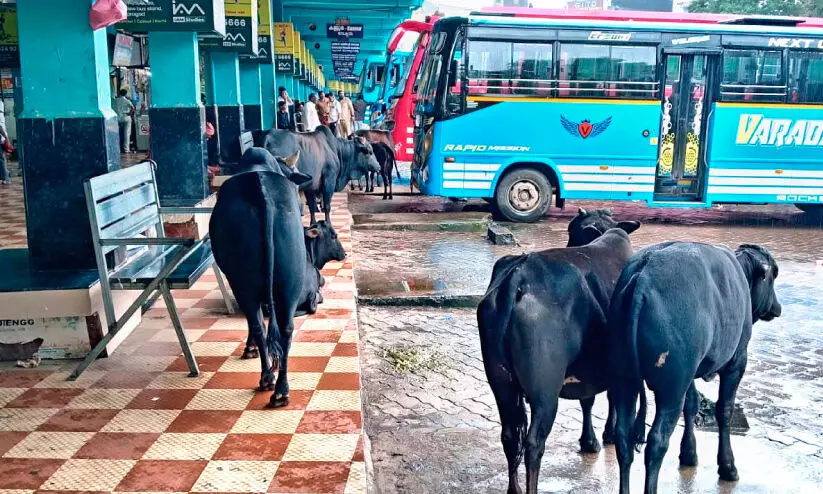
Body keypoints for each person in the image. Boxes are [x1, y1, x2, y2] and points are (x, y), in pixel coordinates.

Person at [113, 89, 135, 153]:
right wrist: (130, 114)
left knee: (116, 133)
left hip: (118, 117)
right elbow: (133, 108)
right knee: (127, 134)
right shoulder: (127, 100)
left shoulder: (116, 100)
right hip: (126, 116)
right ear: (125, 94)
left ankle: (117, 148)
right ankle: (126, 149)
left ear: (119, 93)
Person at [0, 99, 11, 186]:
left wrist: (6, 137)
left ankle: (5, 178)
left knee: (2, 158)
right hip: (2, 137)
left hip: (1, 137)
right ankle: (4, 177)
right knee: (2, 158)